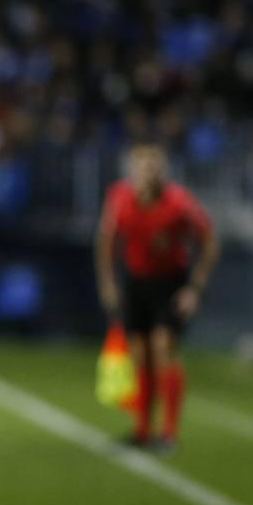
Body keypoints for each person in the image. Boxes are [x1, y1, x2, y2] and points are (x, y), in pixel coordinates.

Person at [95, 143, 220, 450]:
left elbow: (209, 242)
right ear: (133, 171)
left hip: (169, 284)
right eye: (143, 166)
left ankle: (169, 433)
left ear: (164, 170)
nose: (149, 172)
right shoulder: (120, 198)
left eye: (154, 166)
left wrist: (194, 289)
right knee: (140, 355)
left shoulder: (179, 203)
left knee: (163, 348)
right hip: (136, 282)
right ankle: (142, 430)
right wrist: (108, 284)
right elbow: (106, 241)